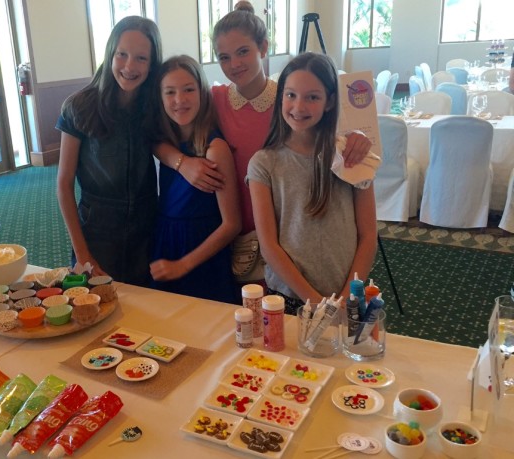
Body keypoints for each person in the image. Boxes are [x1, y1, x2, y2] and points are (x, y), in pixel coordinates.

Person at [155, 3, 371, 286]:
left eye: (243, 52)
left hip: (291, 231)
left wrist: (359, 137)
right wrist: (181, 163)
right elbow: (163, 135)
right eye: (224, 57)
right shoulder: (215, 99)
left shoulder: (290, 101)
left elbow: (333, 131)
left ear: (264, 48)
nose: (235, 64)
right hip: (234, 231)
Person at [246, 52, 378, 315]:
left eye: (312, 97)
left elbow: (368, 235)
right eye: (291, 94)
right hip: (289, 298)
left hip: (346, 294)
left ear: (329, 102)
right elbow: (269, 246)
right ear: (280, 96)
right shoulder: (264, 163)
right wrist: (317, 302)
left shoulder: (351, 156)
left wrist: (346, 297)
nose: (299, 106)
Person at [56, 16, 162, 286]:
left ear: (152, 64)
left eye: (141, 58)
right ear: (110, 54)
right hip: (97, 229)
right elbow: (64, 183)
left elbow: (165, 146)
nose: (129, 66)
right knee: (94, 310)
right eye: (122, 55)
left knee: (147, 312)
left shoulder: (155, 104)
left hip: (146, 228)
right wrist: (83, 254)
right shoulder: (79, 106)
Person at [149, 55, 241, 303]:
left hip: (201, 255)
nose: (180, 100)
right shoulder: (166, 142)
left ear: (202, 92)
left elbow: (232, 224)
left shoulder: (214, 148)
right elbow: (156, 143)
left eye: (188, 89)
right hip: (166, 243)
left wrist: (184, 265)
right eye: (170, 92)